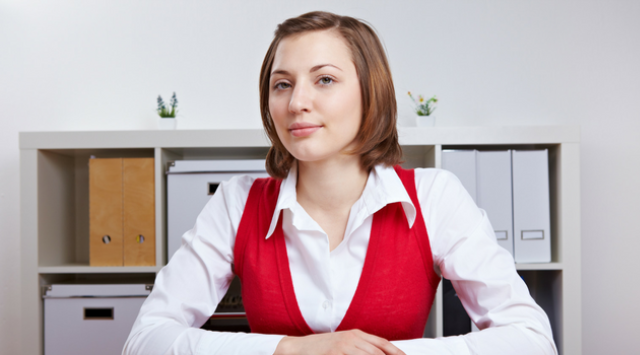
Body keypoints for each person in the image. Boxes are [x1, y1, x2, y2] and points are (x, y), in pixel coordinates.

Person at [123, 11, 557, 355]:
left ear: (371, 93)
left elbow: (531, 339)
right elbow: (146, 341)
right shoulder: (236, 203)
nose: (296, 102)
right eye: (282, 84)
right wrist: (291, 350)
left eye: (324, 79)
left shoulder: (433, 197)